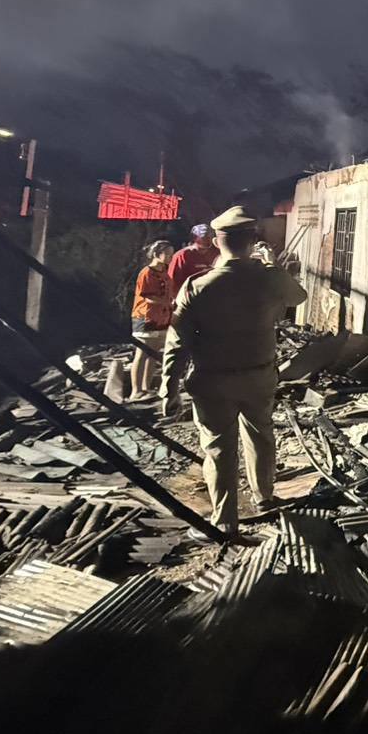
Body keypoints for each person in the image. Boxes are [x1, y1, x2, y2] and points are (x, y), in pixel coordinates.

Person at [159, 206, 307, 536]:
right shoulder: (269, 278)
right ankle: (264, 497)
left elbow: (178, 342)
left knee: (218, 449)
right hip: (259, 376)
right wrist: (271, 263)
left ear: (216, 241)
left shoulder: (198, 286)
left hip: (213, 380)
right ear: (253, 240)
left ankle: (225, 521)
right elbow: (299, 296)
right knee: (261, 436)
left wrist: (169, 387)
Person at [129, 240, 175, 399]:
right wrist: (167, 302)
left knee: (152, 354)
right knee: (141, 354)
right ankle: (136, 390)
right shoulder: (147, 273)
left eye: (171, 254)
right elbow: (148, 296)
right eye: (167, 254)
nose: (170, 257)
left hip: (161, 318)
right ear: (156, 254)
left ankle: (145, 388)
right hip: (146, 317)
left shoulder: (164, 272)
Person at [167, 223, 217, 296]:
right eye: (204, 237)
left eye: (210, 236)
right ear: (194, 238)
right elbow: (172, 281)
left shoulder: (216, 252)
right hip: (190, 296)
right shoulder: (182, 255)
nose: (208, 240)